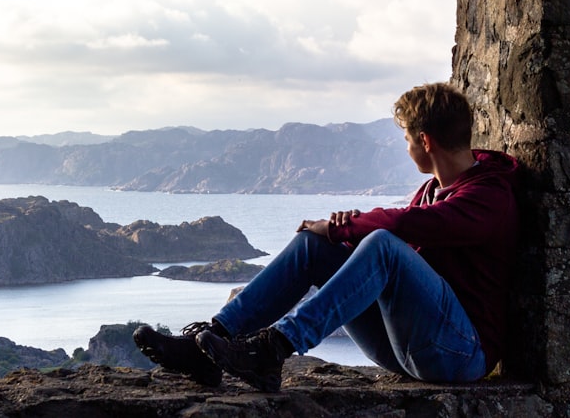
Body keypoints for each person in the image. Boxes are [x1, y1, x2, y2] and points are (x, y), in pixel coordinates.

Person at [133, 82, 519, 392]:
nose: (406, 148)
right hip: (410, 343)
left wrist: (341, 227)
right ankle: (212, 341)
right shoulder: (433, 189)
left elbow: (407, 228)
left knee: (381, 245)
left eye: (406, 139)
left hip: (460, 354)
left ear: (426, 141)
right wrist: (338, 236)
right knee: (313, 246)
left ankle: (273, 349)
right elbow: (398, 243)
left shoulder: (489, 196)